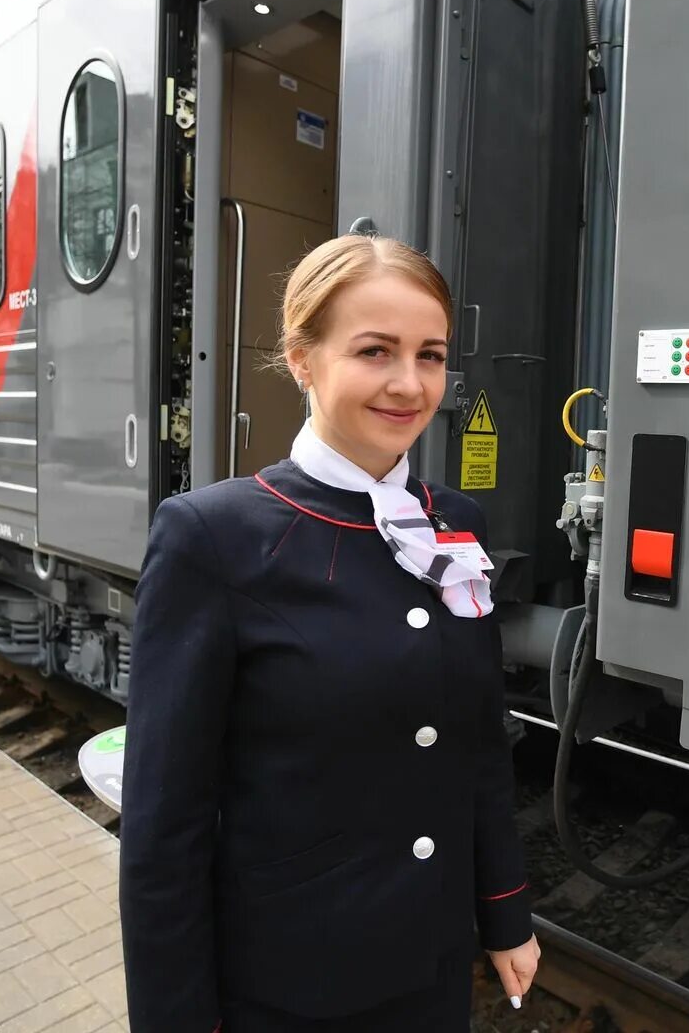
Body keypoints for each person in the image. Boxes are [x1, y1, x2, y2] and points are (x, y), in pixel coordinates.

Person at [120, 234, 540, 1031]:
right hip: (288, 989)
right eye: (375, 351)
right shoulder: (214, 537)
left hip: (430, 972)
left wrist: (505, 911)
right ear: (302, 359)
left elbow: (477, 742)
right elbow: (163, 826)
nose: (410, 384)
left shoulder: (455, 523)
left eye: (431, 354)